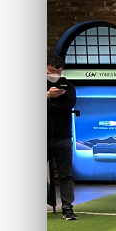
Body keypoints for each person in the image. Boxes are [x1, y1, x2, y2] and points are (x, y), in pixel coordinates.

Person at [46, 52, 78, 221]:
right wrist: (48, 96)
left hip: (63, 136)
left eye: (58, 71)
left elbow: (66, 106)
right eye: (52, 71)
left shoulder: (68, 86)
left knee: (66, 174)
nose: (55, 74)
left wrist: (50, 105)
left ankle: (67, 207)